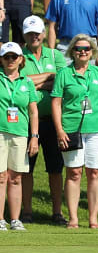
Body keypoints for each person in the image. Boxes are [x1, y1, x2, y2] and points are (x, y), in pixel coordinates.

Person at [51, 33, 98, 230]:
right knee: (74, 172)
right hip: (71, 128)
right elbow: (56, 103)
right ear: (72, 51)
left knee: (95, 172)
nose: (82, 51)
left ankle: (93, 219)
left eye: (86, 49)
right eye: (78, 48)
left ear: (92, 52)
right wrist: (59, 130)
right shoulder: (64, 73)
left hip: (97, 128)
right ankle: (73, 218)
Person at [20, 16, 67, 224]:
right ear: (24, 35)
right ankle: (27, 212)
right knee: (26, 168)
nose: (34, 36)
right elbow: (19, 81)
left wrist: (33, 83)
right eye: (30, 33)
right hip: (26, 121)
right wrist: (44, 80)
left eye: (37, 32)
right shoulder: (18, 56)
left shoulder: (55, 54)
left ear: (44, 34)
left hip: (52, 119)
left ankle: (57, 212)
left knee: (55, 168)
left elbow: (60, 79)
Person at [0, 42, 38, 232]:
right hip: (0, 132)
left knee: (15, 177)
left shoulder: (27, 82)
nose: (10, 60)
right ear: (1, 59)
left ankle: (15, 219)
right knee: (0, 176)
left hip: (21, 134)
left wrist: (34, 136)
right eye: (6, 57)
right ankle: (0, 219)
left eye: (14, 56)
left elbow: (33, 112)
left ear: (20, 59)